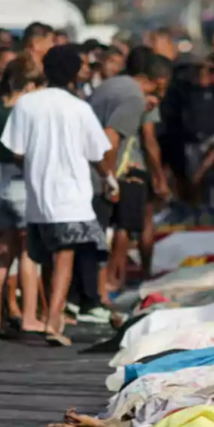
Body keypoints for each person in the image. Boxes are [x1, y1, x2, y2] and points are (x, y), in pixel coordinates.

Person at [1, 45, 115, 346]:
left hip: (38, 195)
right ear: (74, 73)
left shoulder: (26, 104)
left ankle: (49, 312)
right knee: (65, 256)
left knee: (46, 256)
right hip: (72, 195)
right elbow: (97, 153)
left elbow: (15, 150)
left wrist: (37, 164)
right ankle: (54, 318)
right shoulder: (79, 108)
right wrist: (109, 178)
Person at [89, 47, 170, 301]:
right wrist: (109, 176)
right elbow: (119, 138)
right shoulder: (135, 97)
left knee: (100, 229)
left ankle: (101, 285)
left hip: (94, 166)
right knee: (126, 223)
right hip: (121, 168)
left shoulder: (107, 87)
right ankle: (113, 281)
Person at [0, 57, 46, 335]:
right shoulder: (25, 113)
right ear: (29, 83)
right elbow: (25, 152)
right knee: (28, 253)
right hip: (23, 184)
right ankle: (30, 316)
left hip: (1, 184)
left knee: (3, 251)